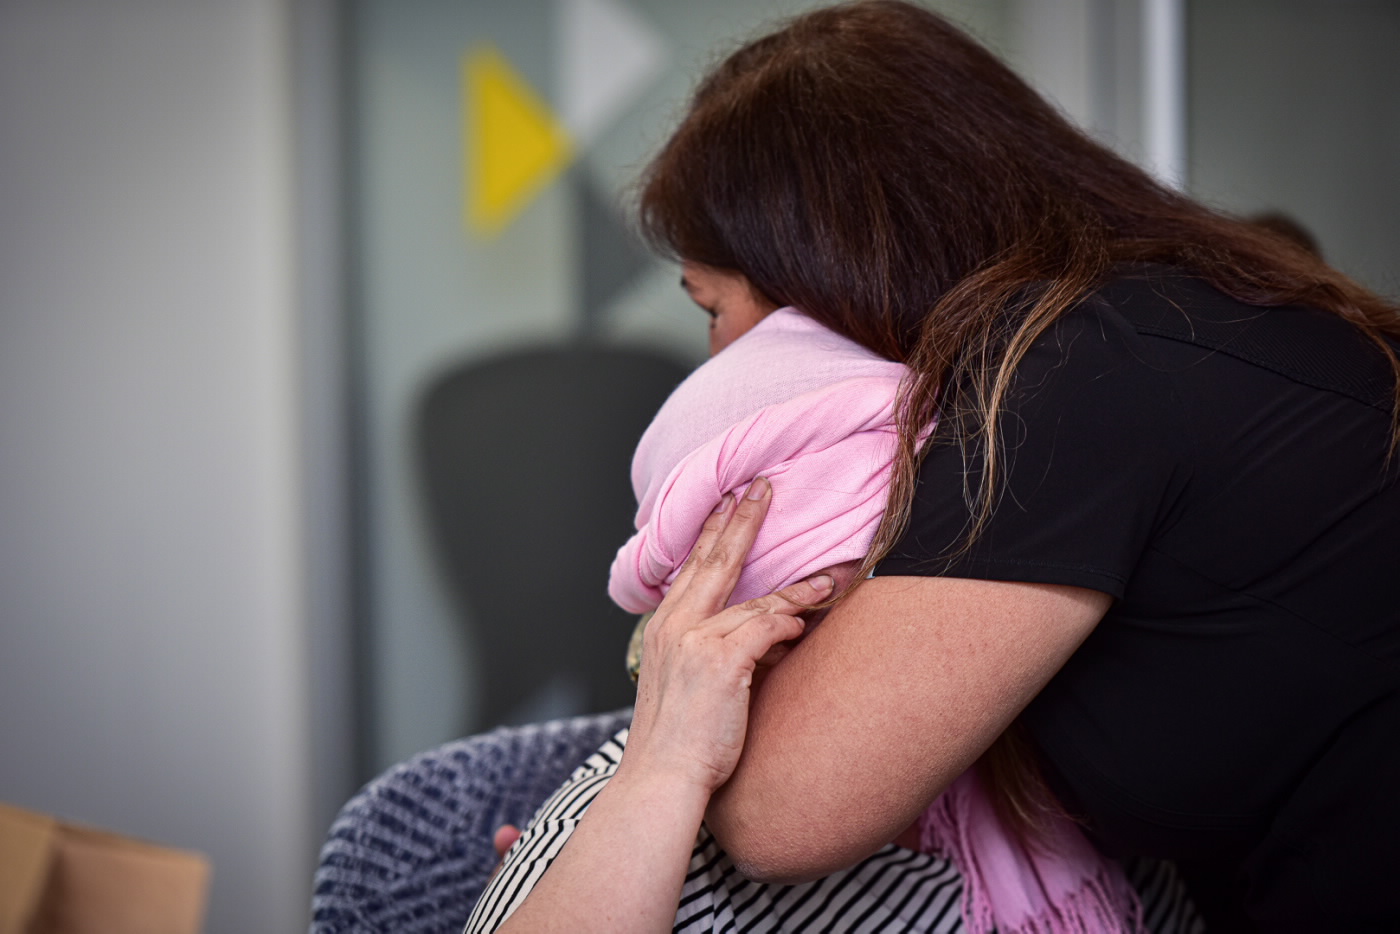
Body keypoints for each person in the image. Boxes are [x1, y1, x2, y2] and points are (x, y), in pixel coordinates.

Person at [469, 1, 1400, 930]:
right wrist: (609, 863)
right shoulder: (1167, 318)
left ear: (821, 276)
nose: (716, 364)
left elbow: (782, 814)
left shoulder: (1078, 370)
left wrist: (637, 805)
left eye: (712, 308)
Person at [467, 306, 1197, 932]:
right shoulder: (624, 834)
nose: (905, 614)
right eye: (838, 592)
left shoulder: (1052, 769)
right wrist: (661, 780)